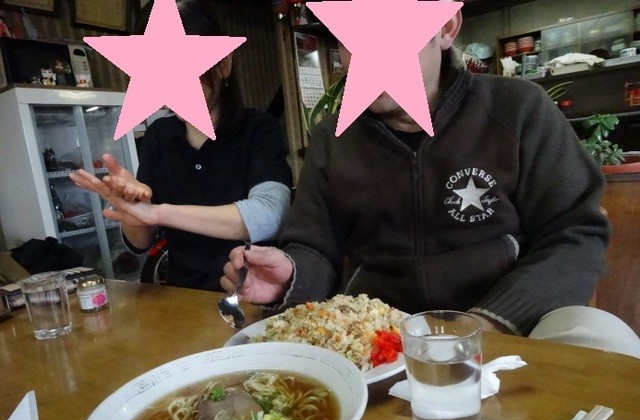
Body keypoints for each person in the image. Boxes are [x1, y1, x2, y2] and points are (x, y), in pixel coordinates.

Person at [222, 9, 640, 358]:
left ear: (446, 27)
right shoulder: (333, 138)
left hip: (511, 326)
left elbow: (576, 233)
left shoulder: (518, 110)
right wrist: (291, 275)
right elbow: (315, 246)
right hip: (380, 338)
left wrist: (490, 321)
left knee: (606, 339)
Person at [71, 0, 292, 292]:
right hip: (180, 296)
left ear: (224, 63)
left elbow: (270, 215)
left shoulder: (259, 128)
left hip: (249, 295)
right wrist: (133, 209)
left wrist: (159, 212)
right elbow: (140, 243)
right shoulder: (159, 136)